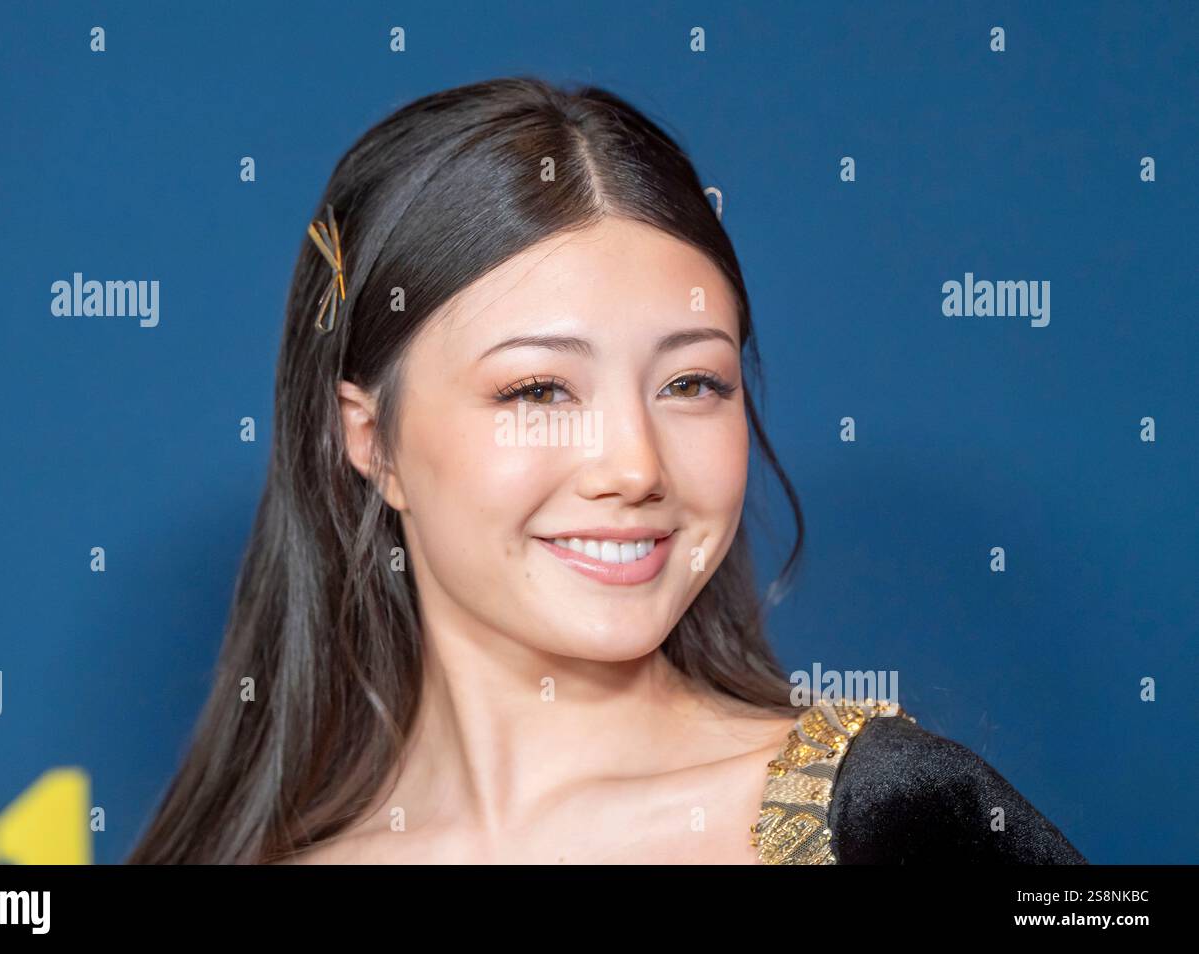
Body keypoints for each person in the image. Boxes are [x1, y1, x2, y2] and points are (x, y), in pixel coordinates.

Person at [126, 77, 1086, 865]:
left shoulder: (894, 821)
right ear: (369, 439)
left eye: (692, 382)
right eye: (540, 390)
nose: (634, 465)